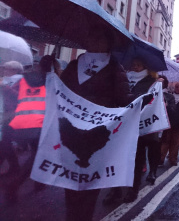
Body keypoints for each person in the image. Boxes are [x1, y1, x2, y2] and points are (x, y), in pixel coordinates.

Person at [60, 26, 132, 221]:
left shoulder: (115, 68)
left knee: (90, 182)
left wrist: (140, 100)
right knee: (70, 179)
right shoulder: (74, 65)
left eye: (99, 38)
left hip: (97, 134)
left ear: (108, 44)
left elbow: (124, 100)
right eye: (91, 37)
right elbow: (61, 91)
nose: (94, 42)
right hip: (70, 131)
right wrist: (52, 75)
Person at [103, 58, 158, 204]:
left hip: (137, 127)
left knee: (136, 159)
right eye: (133, 64)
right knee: (116, 158)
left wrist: (130, 100)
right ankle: (115, 190)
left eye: (138, 65)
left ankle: (133, 189)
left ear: (145, 66)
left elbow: (148, 101)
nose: (135, 67)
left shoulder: (151, 82)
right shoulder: (124, 78)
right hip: (119, 125)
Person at [4, 55, 55, 203]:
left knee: (38, 153)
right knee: (38, 156)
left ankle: (40, 183)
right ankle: (14, 184)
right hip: (40, 123)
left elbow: (12, 95)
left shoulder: (23, 79)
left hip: (20, 121)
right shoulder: (51, 82)